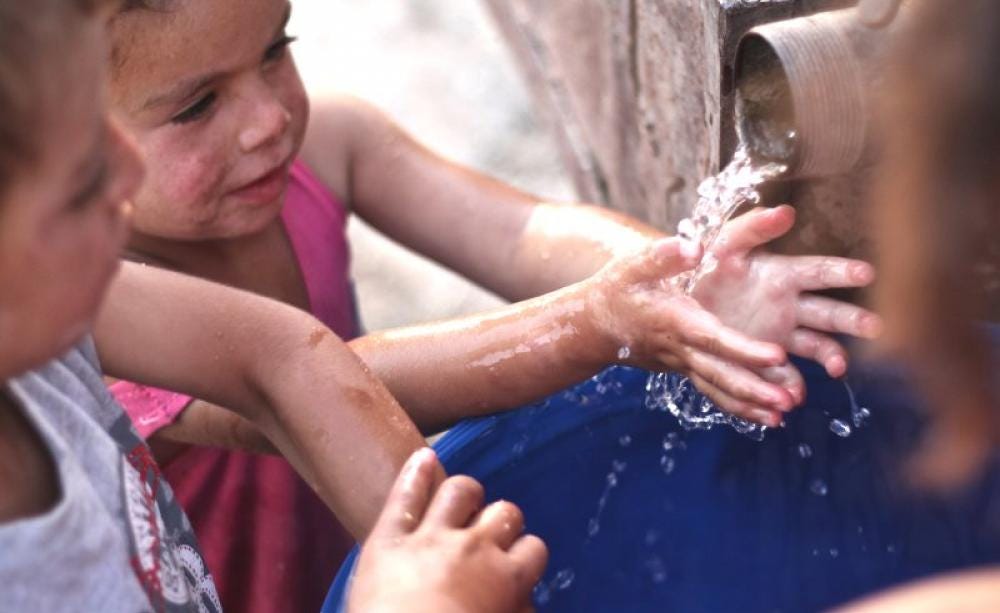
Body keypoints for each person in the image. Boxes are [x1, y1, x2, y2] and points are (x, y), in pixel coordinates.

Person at [106, 2, 883, 609]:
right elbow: (309, 384)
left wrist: (680, 281)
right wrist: (599, 322)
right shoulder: (100, 314)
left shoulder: (325, 142)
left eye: (276, 49)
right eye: (197, 105)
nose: (268, 118)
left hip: (390, 564)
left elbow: (519, 233)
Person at [0, 1, 546, 610]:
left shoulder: (55, 316)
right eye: (81, 178)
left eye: (276, 46)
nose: (122, 176)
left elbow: (281, 357)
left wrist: (430, 556)